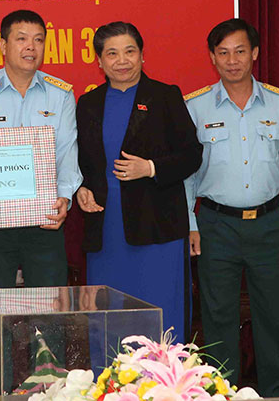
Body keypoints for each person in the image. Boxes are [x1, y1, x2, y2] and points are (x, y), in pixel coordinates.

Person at [184, 18, 279, 397]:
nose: (233, 61)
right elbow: (186, 175)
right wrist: (190, 224)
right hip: (216, 224)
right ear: (213, 58)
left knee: (273, 314)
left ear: (255, 54)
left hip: (268, 223)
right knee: (218, 318)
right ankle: (221, 392)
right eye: (224, 53)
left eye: (240, 51)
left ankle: (278, 390)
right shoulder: (195, 107)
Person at [76, 21, 202, 343]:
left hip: (157, 227)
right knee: (109, 318)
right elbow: (81, 164)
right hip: (106, 228)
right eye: (112, 53)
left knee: (159, 312)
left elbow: (191, 155)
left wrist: (150, 167)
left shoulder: (164, 96)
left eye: (130, 51)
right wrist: (81, 189)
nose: (122, 60)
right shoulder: (88, 104)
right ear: (99, 62)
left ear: (143, 56)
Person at [0, 9, 82, 289]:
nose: (30, 47)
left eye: (38, 40)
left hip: (44, 219)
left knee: (49, 310)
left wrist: (64, 198)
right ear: (3, 45)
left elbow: (66, 151)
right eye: (22, 39)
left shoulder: (60, 94)